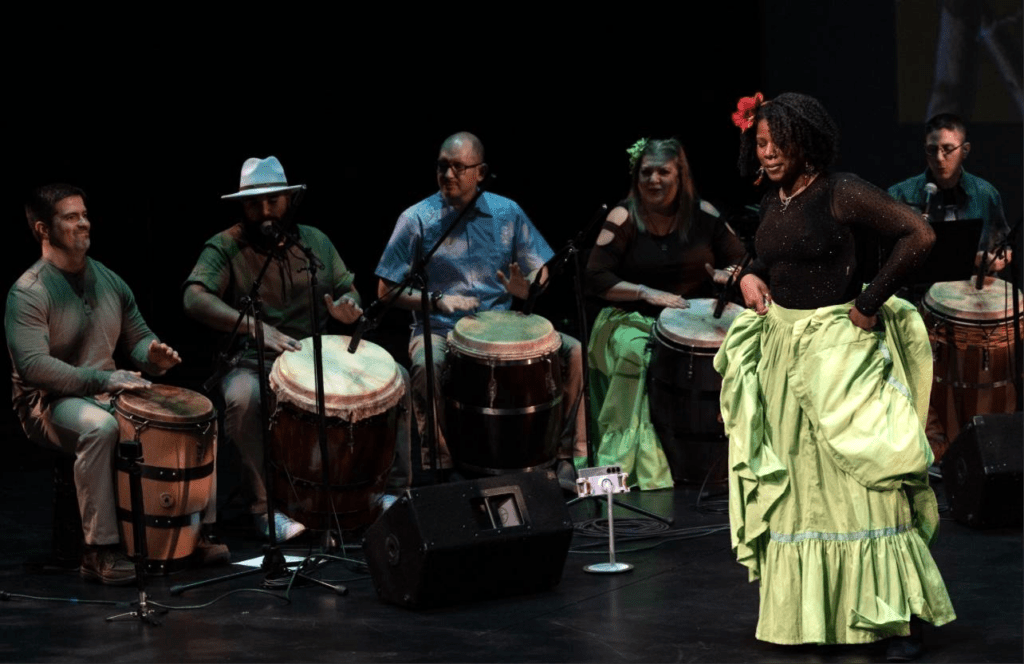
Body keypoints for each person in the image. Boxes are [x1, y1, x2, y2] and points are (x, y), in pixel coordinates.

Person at [714, 93, 956, 660]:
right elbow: (767, 261)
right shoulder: (775, 202)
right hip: (785, 352)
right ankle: (816, 617)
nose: (766, 151)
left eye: (776, 141)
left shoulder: (839, 190)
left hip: (840, 355)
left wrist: (870, 302)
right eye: (760, 141)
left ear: (806, 141)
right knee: (803, 494)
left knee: (861, 486)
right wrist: (746, 279)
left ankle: (890, 618)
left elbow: (918, 235)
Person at [6, 184, 226, 585]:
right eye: (71, 217)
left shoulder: (108, 279)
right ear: (43, 229)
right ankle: (99, 550)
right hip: (48, 404)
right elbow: (35, 367)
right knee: (100, 428)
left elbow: (137, 337)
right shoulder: (28, 293)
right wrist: (106, 379)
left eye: (84, 214)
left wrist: (151, 356)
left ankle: (196, 532)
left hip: (106, 393)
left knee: (197, 416)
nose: (84, 222)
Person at [183, 156, 411, 542]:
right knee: (242, 399)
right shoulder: (226, 245)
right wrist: (256, 328)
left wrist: (347, 307)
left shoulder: (314, 241)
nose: (265, 210)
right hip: (255, 360)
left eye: (273, 200)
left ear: (289, 200)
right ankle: (265, 509)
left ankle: (391, 491)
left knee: (398, 380)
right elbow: (193, 297)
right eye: (255, 203)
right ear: (243, 205)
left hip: (317, 353)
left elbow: (346, 288)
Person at [374, 131, 587, 478]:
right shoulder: (416, 219)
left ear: (482, 172)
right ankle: (440, 464)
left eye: (459, 167)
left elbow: (542, 271)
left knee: (575, 353)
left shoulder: (508, 212)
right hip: (441, 330)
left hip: (506, 325)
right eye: (442, 167)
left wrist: (528, 287)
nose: (448, 176)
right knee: (427, 365)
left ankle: (566, 454)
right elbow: (385, 291)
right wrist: (437, 302)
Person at [585, 138, 745, 490]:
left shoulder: (704, 214)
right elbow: (595, 277)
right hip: (627, 318)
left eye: (663, 172)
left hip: (690, 317)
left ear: (680, 175)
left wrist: (726, 274)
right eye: (646, 172)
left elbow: (742, 260)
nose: (653, 180)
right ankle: (619, 467)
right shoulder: (623, 215)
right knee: (635, 353)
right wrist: (645, 292)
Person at [888, 113, 1012, 277]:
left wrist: (999, 257)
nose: (939, 158)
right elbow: (887, 254)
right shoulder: (900, 194)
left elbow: (1004, 244)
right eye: (932, 150)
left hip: (973, 291)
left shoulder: (985, 193)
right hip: (919, 291)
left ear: (965, 150)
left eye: (947, 149)